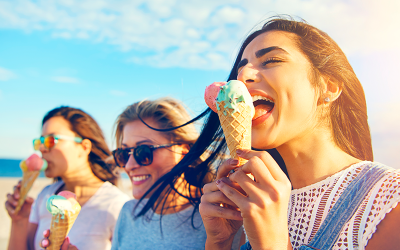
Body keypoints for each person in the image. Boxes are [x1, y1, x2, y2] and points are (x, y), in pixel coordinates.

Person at [170, 17, 400, 250]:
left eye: (271, 60)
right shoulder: (251, 203)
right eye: (240, 69)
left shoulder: (388, 199)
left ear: (328, 86)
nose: (242, 77)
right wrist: (219, 243)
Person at [110, 97, 243, 249]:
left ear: (184, 152)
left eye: (143, 151)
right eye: (125, 153)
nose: (129, 165)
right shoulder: (129, 212)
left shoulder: (223, 216)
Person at [5, 106, 130, 250]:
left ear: (84, 147)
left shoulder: (116, 205)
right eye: (40, 142)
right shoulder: (45, 196)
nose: (42, 148)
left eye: (51, 140)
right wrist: (19, 220)